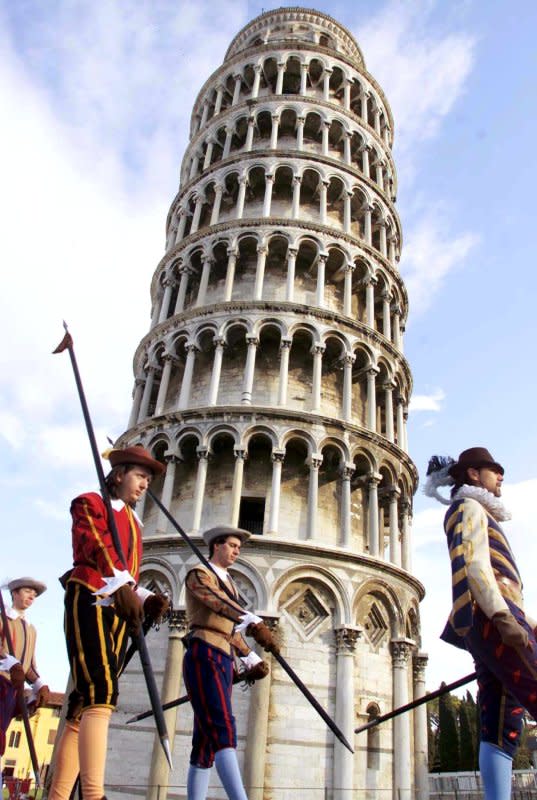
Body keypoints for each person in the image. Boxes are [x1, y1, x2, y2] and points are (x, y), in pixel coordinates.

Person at [48, 444, 170, 800]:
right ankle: (93, 793)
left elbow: (129, 573)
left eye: (148, 479)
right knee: (102, 690)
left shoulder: (135, 523)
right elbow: (97, 548)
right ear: (118, 475)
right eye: (140, 476)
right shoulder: (89, 503)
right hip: (88, 594)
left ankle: (57, 795)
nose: (145, 484)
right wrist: (125, 586)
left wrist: (148, 598)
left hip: (119, 609)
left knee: (84, 702)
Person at [425, 447, 537, 800]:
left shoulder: (476, 511)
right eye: (494, 470)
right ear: (474, 474)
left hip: (491, 617)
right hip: (491, 616)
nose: (501, 475)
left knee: (501, 726)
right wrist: (503, 617)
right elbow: (474, 565)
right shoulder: (468, 508)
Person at [183, 525, 276, 800]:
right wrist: (252, 620)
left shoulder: (231, 584)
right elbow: (215, 602)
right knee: (224, 726)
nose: (236, 551)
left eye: (238, 547)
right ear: (216, 546)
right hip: (204, 653)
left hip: (223, 655)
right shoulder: (199, 575)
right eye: (232, 545)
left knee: (204, 741)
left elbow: (231, 631)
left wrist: (250, 657)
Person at [0, 578, 49, 769]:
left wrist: (40, 684)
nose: (31, 597)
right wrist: (11, 664)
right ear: (14, 593)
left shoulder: (31, 629)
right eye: (27, 591)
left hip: (14, 690)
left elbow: (28, 665)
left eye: (34, 595)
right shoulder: (3, 619)